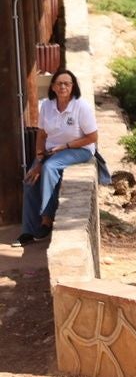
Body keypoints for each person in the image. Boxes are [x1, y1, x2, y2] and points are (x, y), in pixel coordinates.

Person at [20, 68, 99, 245]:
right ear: (53, 87)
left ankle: (47, 219)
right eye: (59, 83)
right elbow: (41, 136)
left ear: (73, 87)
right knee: (31, 179)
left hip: (79, 149)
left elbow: (92, 137)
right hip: (52, 150)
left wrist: (66, 146)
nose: (63, 86)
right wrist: (39, 160)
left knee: (51, 167)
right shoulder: (47, 106)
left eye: (67, 83)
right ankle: (29, 230)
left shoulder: (81, 107)